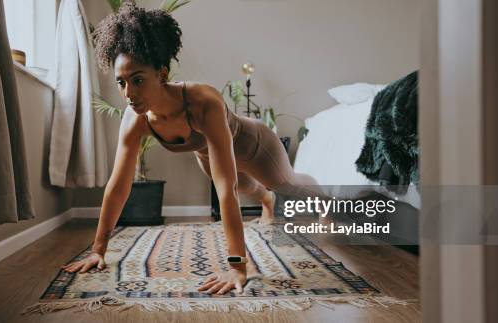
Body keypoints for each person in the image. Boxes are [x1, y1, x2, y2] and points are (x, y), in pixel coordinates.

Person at [61, 2, 318, 295]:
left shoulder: (202, 101)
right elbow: (118, 186)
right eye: (121, 82)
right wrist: (98, 250)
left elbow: (225, 190)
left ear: (162, 73)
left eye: (138, 80)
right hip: (208, 155)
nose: (128, 93)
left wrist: (237, 265)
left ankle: (323, 195)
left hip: (254, 146)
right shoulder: (135, 119)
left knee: (288, 184)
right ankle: (268, 202)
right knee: (252, 189)